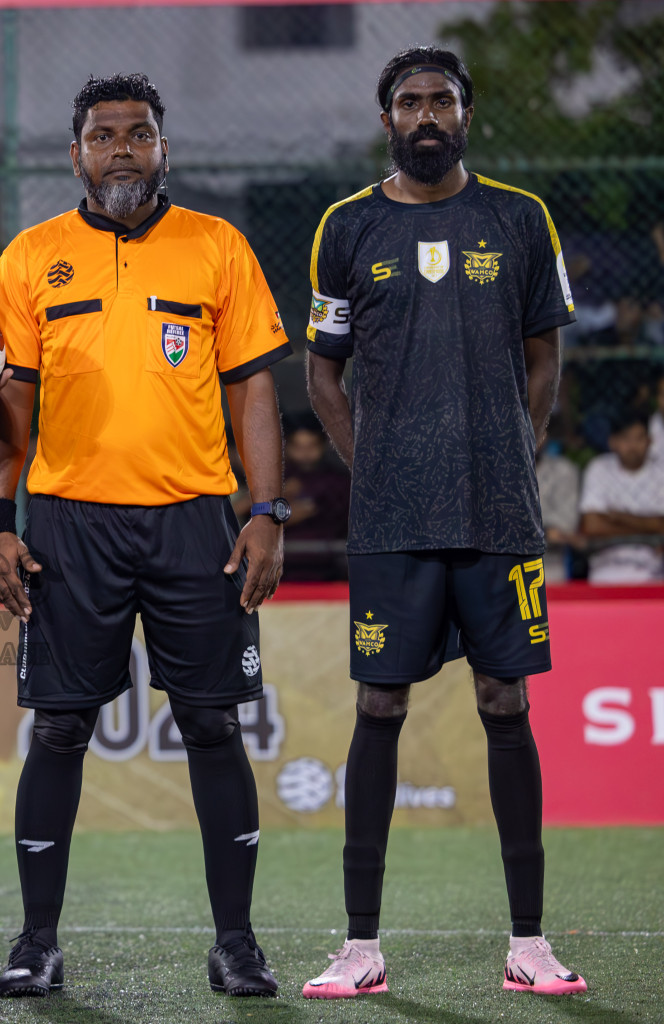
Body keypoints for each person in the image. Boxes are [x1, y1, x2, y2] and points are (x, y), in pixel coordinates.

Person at [0, 73, 290, 1000]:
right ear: (75, 152)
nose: (123, 148)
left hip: (196, 521)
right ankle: (37, 939)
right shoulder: (32, 258)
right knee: (62, 727)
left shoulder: (218, 247)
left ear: (165, 148)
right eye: (104, 134)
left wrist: (265, 511)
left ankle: (235, 941)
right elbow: (6, 405)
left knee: (209, 724)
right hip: (71, 525)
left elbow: (255, 392)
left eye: (140, 133)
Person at [304, 47, 586, 998]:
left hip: (499, 510)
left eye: (443, 101)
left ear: (468, 114)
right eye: (411, 101)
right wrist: (373, 463)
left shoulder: (517, 217)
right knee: (379, 707)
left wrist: (519, 445)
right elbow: (322, 370)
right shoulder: (346, 226)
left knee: (507, 705)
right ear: (386, 117)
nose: (428, 114)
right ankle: (360, 947)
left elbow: (543, 355)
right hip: (392, 520)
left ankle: (530, 943)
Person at [579, 411, 664, 583]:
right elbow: (592, 525)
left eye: (639, 438)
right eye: (626, 439)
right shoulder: (599, 468)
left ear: (650, 441)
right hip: (605, 572)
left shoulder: (660, 472)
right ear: (613, 442)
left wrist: (618, 516)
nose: (632, 446)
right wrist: (652, 530)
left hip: (654, 575)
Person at [281, 413, 351, 581]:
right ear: (286, 446)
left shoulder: (339, 482)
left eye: (311, 446)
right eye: (297, 447)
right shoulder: (274, 481)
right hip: (281, 573)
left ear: (324, 445)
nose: (304, 454)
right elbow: (245, 515)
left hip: (329, 571)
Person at [535, 440, 581, 583]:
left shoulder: (564, 469)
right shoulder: (494, 469)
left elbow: (565, 526)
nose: (532, 432)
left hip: (551, 567)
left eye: (540, 426)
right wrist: (547, 531)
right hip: (500, 565)